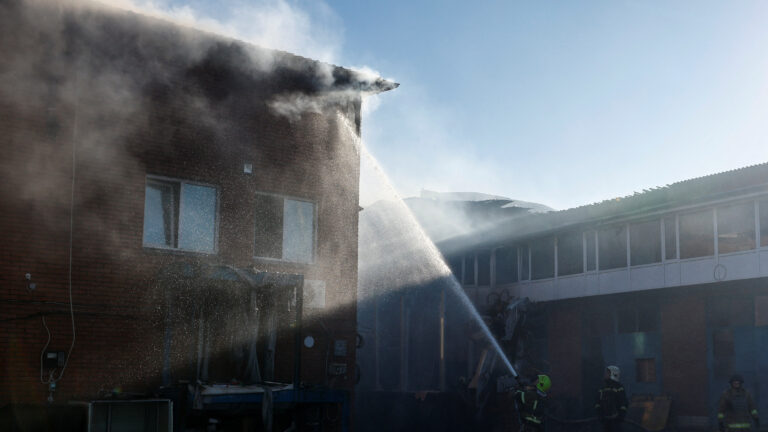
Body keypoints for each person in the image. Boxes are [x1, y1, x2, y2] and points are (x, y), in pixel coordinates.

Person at [595, 365, 628, 432]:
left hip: (616, 422)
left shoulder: (619, 388)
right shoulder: (602, 388)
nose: (605, 374)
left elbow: (624, 403)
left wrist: (620, 416)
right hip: (605, 421)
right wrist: (600, 414)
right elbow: (597, 403)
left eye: (607, 373)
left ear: (613, 374)